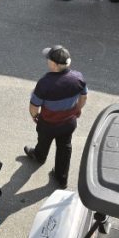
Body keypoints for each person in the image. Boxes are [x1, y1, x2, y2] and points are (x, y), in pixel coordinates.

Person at [24, 45, 88, 186]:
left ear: (53, 64)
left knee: (43, 141)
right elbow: (83, 97)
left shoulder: (45, 83)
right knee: (65, 147)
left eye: (48, 59)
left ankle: (39, 156)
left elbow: (34, 106)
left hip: (48, 123)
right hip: (69, 122)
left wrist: (35, 117)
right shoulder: (78, 77)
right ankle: (61, 177)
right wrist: (77, 109)